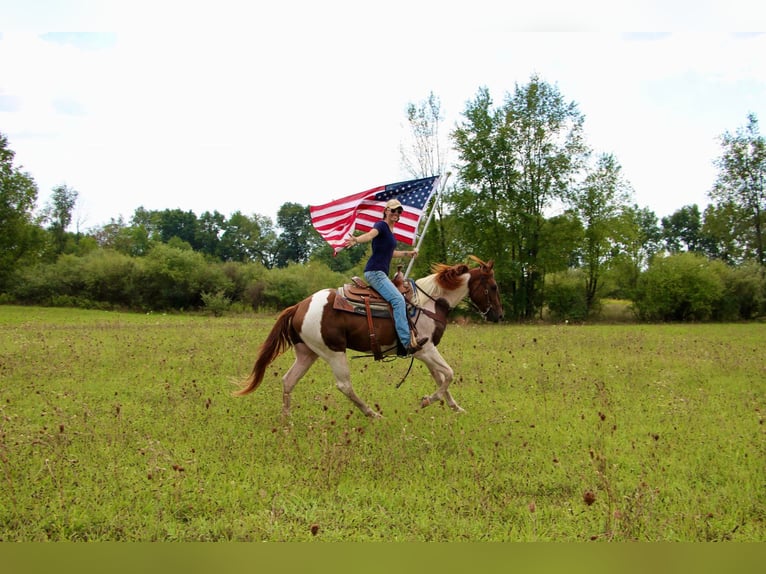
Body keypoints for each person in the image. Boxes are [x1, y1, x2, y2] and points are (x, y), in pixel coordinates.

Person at [344, 199, 428, 356]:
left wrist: (408, 254)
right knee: (398, 300)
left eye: (399, 212)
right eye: (393, 210)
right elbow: (370, 235)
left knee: (400, 297)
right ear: (386, 211)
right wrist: (356, 240)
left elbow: (391, 253)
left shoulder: (391, 231)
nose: (396, 214)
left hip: (381, 273)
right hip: (375, 272)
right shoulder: (381, 225)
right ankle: (406, 342)